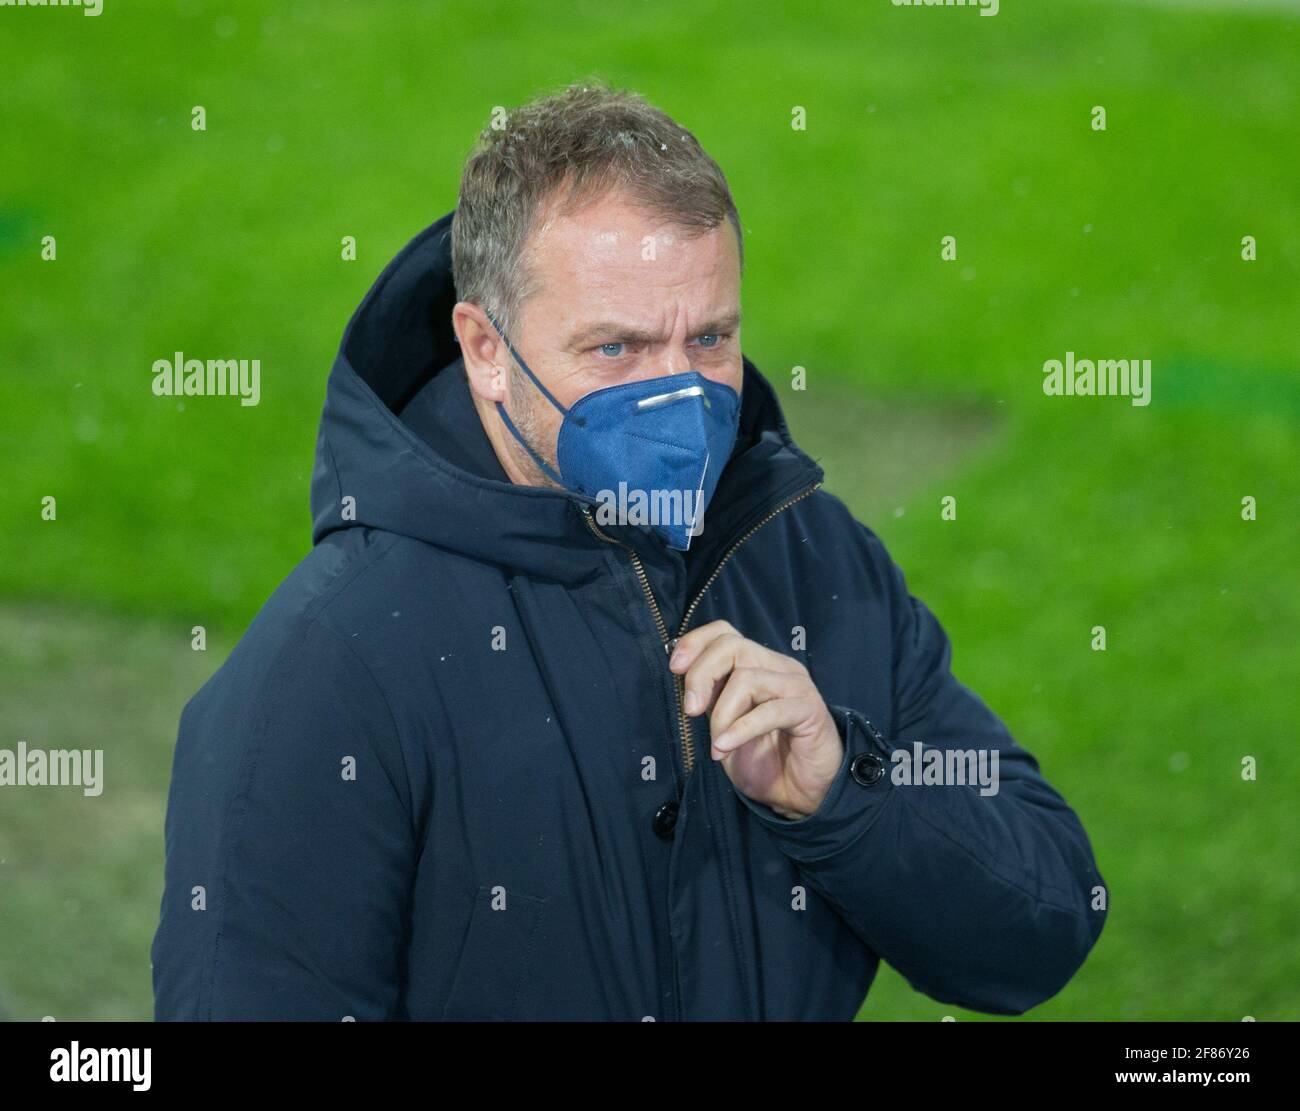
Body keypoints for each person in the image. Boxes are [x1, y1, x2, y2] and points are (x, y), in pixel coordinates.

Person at [151, 81, 1107, 1021]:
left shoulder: (810, 553)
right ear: (485, 347)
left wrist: (845, 799)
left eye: (711, 337)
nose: (679, 396)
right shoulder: (323, 672)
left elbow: (1048, 923)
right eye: (616, 349)